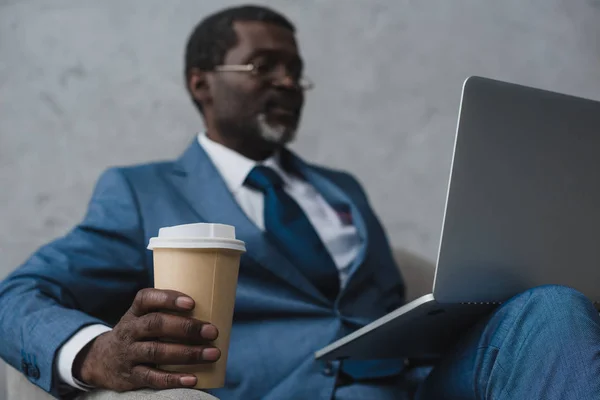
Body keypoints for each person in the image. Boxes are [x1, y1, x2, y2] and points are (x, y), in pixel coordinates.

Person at [1, 5, 600, 400]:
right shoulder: (141, 192)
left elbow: (385, 305)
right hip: (284, 392)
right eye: (266, 65)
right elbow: (15, 297)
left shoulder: (342, 189)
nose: (288, 82)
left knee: (551, 308)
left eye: (297, 71)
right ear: (200, 82)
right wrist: (96, 352)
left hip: (417, 385)